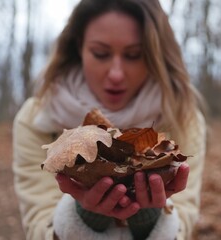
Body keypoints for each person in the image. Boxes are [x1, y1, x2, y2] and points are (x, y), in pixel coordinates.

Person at [12, 0, 207, 239]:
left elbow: (184, 222)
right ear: (78, 48)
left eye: (134, 55)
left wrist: (150, 218)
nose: (116, 74)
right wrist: (84, 215)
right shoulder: (38, 118)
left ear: (155, 56)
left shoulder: (182, 116)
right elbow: (38, 225)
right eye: (100, 53)